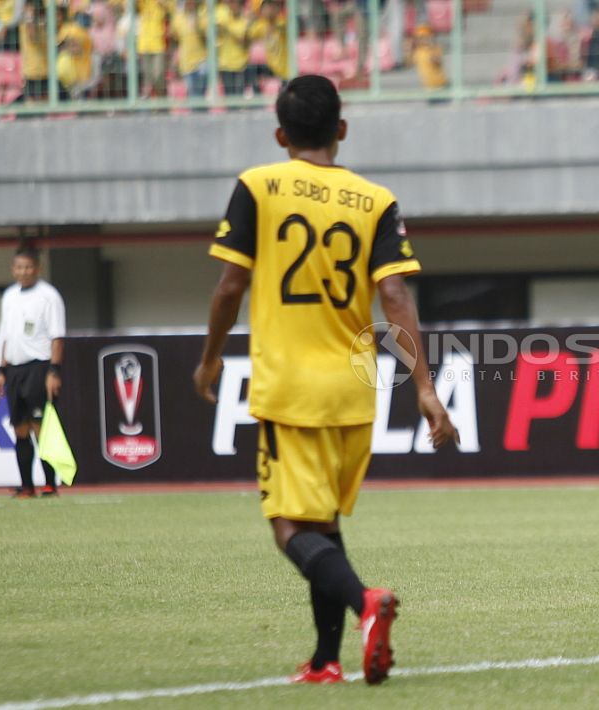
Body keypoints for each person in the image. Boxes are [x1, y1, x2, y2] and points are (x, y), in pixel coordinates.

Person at [193, 75, 459, 685]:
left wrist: (209, 358)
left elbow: (230, 285)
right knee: (325, 525)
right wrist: (422, 387)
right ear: (341, 129)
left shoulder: (258, 187)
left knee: (288, 527)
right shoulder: (374, 199)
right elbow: (395, 297)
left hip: (289, 388)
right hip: (354, 391)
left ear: (281, 134)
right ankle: (325, 659)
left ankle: (366, 601)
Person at [0, 244, 66, 499]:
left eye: (28, 267)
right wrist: (2, 369)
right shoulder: (9, 296)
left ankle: (50, 484)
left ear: (38, 268)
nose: (24, 271)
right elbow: (6, 336)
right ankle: (26, 486)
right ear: (13, 270)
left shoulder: (49, 296)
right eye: (19, 267)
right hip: (15, 369)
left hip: (39, 367)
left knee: (40, 427)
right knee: (20, 428)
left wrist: (54, 371)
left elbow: (58, 336)